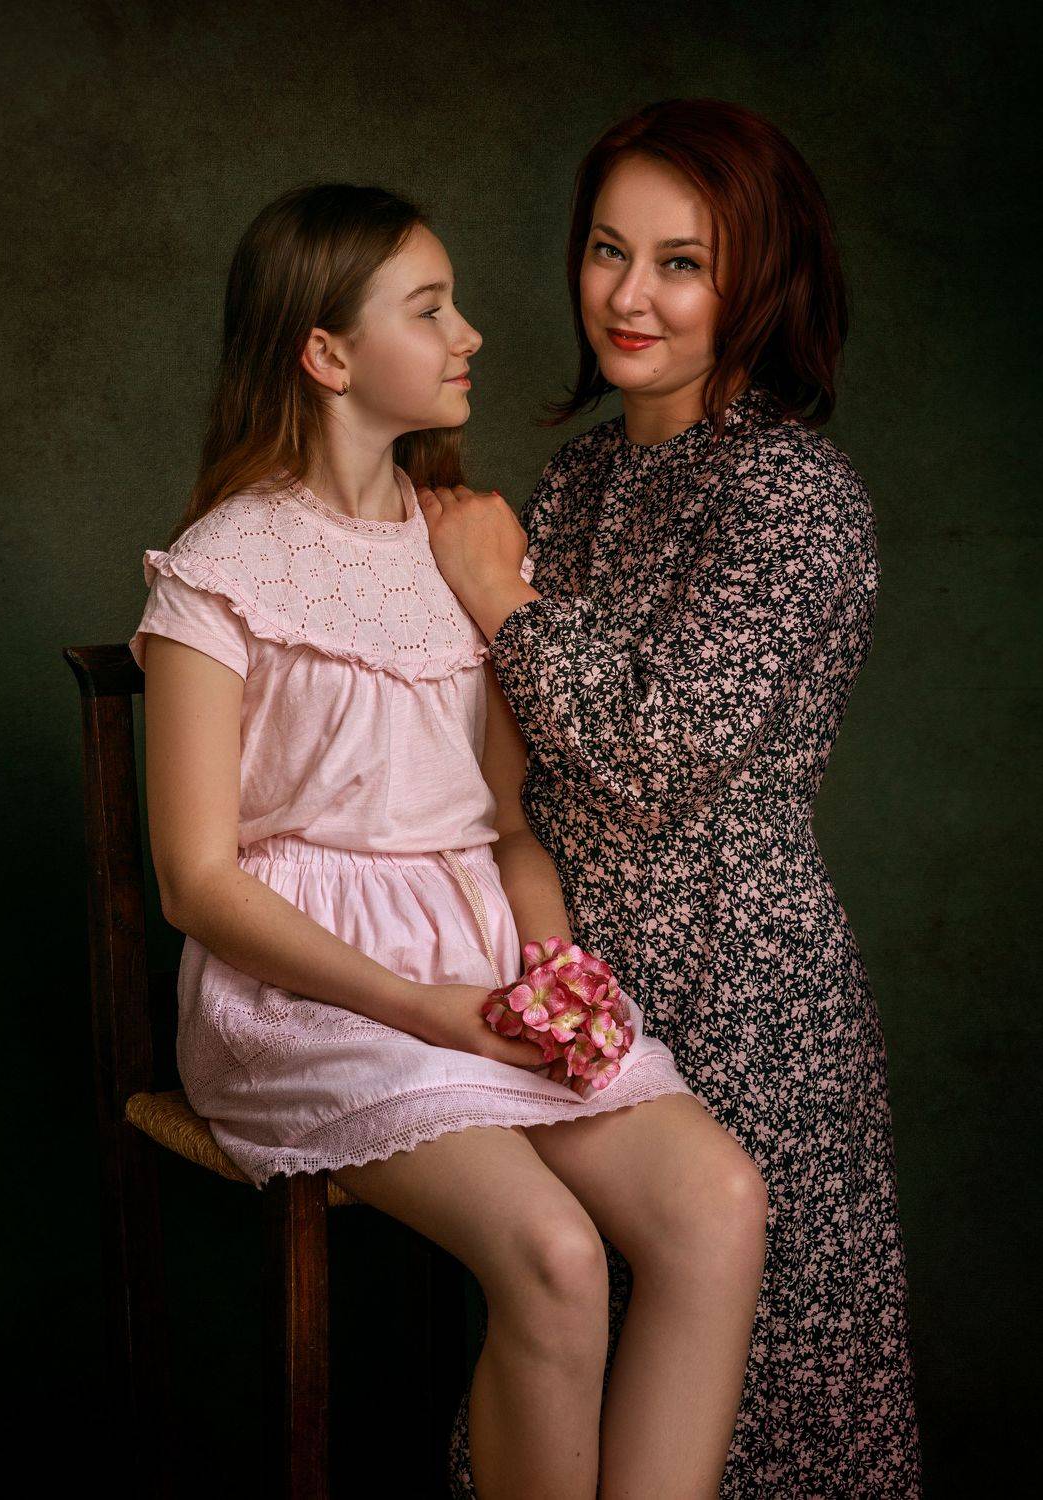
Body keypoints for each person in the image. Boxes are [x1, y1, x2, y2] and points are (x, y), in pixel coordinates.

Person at [129, 182, 769, 1500]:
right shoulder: (216, 570)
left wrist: (553, 967)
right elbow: (194, 882)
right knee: (556, 1254)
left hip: (474, 957)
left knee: (716, 1202)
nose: (469, 332)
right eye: (429, 309)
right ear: (327, 355)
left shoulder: (466, 542)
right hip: (310, 993)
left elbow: (509, 822)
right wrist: (422, 1007)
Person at [420, 101, 923, 1497]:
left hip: (741, 993)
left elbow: (654, 748)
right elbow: (507, 752)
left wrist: (501, 596)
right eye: (607, 250)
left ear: (761, 281)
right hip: (572, 980)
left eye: (681, 263)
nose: (629, 297)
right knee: (558, 1373)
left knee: (753, 1426)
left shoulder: (796, 496)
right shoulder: (582, 474)